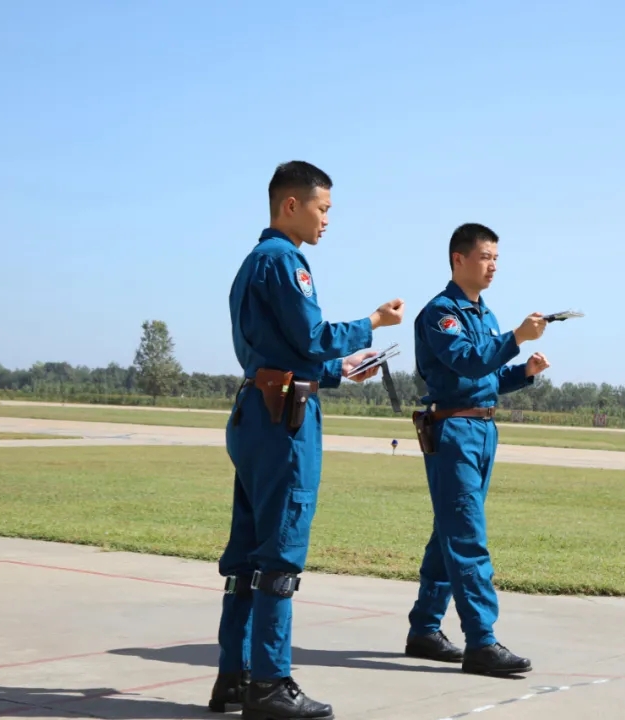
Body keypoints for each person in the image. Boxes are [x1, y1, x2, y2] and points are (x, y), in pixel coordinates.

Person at [209, 160, 404, 720]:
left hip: (256, 408)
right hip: (284, 421)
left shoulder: (252, 263)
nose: (326, 221)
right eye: (322, 209)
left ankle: (235, 675)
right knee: (280, 555)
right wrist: (371, 322)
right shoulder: (285, 261)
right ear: (290, 205)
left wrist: (340, 370)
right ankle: (270, 683)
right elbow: (313, 334)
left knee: (247, 552)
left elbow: (286, 351)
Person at [404, 222, 549, 676]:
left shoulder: (482, 313)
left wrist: (522, 371)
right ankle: (482, 641)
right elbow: (467, 361)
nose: (492, 266)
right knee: (467, 536)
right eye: (485, 257)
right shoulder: (441, 314)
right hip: (454, 433)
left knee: (448, 532)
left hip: (481, 430)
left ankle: (425, 629)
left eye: (497, 258)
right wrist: (516, 338)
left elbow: (484, 380)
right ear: (458, 259)